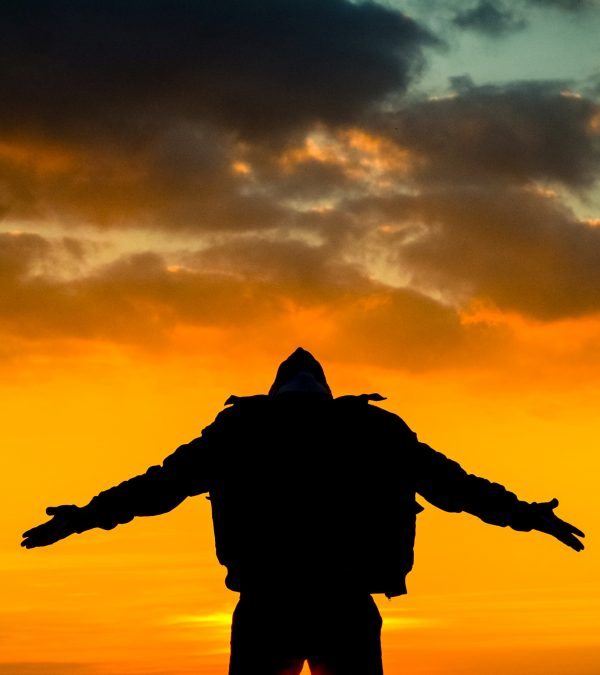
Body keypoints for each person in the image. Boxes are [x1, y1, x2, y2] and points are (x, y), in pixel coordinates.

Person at [21, 347, 585, 675]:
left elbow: (154, 489)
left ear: (273, 390)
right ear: (328, 391)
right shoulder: (374, 431)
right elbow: (458, 487)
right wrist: (531, 515)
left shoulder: (239, 432)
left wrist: (79, 518)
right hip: (345, 604)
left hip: (267, 606)